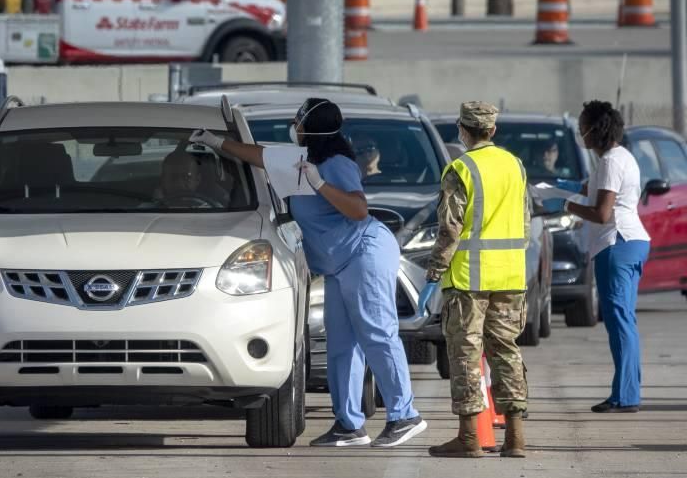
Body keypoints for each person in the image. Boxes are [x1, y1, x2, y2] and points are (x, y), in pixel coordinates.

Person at [190, 98, 427, 448]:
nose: (293, 123)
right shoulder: (299, 161)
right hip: (338, 263)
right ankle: (349, 425)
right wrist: (215, 142)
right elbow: (257, 154)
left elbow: (359, 209)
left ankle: (404, 415)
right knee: (341, 345)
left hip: (364, 251)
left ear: (309, 126)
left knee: (377, 333)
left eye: (298, 119)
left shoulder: (335, 164)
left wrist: (319, 184)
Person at [417, 101, 530, 458]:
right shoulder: (515, 165)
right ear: (493, 130)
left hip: (468, 279)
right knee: (506, 352)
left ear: (462, 130)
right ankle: (515, 436)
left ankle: (468, 436)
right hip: (510, 276)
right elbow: (525, 219)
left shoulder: (460, 168)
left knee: (465, 355)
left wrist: (434, 272)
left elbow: (449, 229)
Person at [563, 100, 650, 413]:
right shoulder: (619, 158)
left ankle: (625, 397)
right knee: (624, 320)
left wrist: (567, 205)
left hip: (617, 243)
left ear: (594, 130)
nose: (579, 131)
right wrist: (571, 188)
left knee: (620, 322)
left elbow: (601, 213)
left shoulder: (612, 161)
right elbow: (597, 190)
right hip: (629, 242)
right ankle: (627, 391)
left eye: (582, 124)